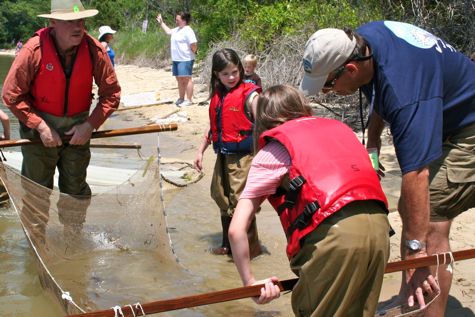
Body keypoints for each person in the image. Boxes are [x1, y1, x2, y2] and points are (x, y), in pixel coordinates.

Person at [299, 21, 475, 316]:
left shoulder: (406, 95)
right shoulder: (366, 38)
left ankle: (428, 309)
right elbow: (381, 85)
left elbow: (415, 173)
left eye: (329, 84)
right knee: (410, 208)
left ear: (351, 69)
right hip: (445, 116)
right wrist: (374, 136)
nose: (328, 93)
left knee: (430, 222)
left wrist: (418, 254)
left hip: (468, 128)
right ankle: (409, 298)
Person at [229, 84, 390, 316]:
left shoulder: (273, 152)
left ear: (263, 119)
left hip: (336, 237)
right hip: (380, 228)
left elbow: (236, 230)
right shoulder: (339, 130)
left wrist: (250, 282)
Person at [1, 0, 120, 235]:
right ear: (53, 23)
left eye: (81, 20)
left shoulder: (94, 50)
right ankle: (36, 249)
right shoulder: (33, 50)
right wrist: (41, 126)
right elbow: (11, 95)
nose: (78, 27)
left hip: (78, 131)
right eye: (70, 21)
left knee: (75, 193)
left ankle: (72, 243)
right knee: (37, 195)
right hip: (38, 134)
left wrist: (90, 125)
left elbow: (112, 94)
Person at [194, 48, 262, 258]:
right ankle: (227, 245)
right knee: (221, 197)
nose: (231, 77)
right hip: (223, 154)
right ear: (216, 74)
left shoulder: (250, 94)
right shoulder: (218, 94)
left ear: (240, 69)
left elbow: (261, 119)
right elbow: (213, 125)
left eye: (235, 72)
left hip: (243, 158)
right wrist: (200, 151)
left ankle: (249, 252)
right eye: (225, 74)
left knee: (240, 203)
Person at [156, 11, 197, 107]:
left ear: (184, 20)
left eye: (177, 20)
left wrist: (194, 52)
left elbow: (194, 44)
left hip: (185, 59)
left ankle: (189, 100)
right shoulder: (177, 29)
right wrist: (161, 22)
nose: (176, 21)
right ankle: (181, 98)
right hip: (176, 59)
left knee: (187, 79)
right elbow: (168, 31)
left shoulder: (188, 30)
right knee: (179, 79)